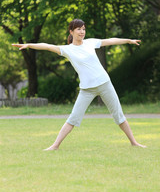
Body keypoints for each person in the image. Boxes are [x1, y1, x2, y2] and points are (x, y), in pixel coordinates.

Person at [12, 19, 146, 150]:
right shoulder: (67, 50)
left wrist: (128, 40)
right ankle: (55, 146)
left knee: (118, 115)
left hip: (104, 83)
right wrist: (29, 45)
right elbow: (47, 46)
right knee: (73, 118)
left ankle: (134, 142)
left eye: (83, 29)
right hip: (87, 89)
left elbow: (110, 40)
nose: (82, 32)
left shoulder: (90, 43)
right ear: (71, 31)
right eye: (79, 29)